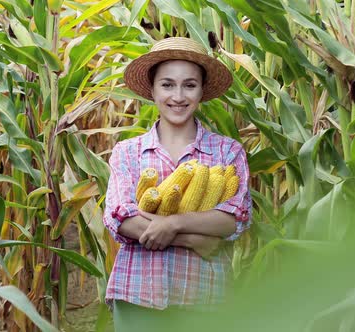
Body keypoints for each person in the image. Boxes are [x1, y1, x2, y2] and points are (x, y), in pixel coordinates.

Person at [103, 37, 252, 331]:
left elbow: (233, 218)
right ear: (153, 90)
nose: (178, 96)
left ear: (201, 91)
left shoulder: (227, 152)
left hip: (205, 299)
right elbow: (121, 219)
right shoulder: (128, 151)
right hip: (137, 295)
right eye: (167, 85)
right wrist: (197, 239)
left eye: (190, 85)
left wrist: (172, 224)